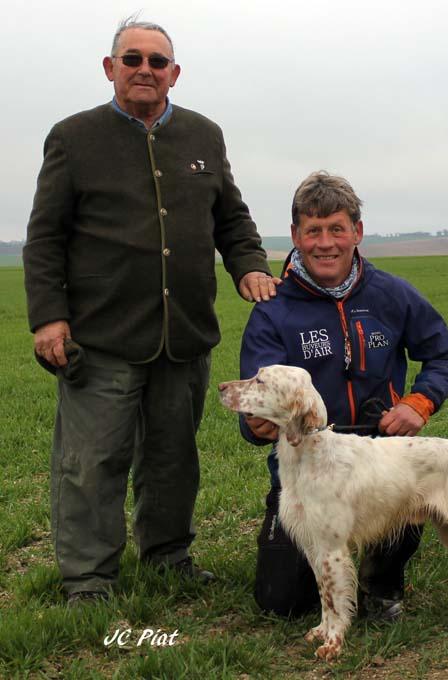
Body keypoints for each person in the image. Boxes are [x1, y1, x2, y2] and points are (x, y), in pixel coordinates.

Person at [23, 18, 278, 604]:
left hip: (183, 334)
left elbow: (232, 219)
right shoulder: (73, 137)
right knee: (92, 463)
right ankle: (88, 579)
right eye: (132, 58)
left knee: (172, 461)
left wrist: (250, 266)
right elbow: (45, 238)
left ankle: (167, 557)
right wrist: (49, 317)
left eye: (157, 61)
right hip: (103, 335)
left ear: (174, 73)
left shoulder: (204, 136)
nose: (145, 69)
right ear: (110, 67)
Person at [239, 171, 448, 619]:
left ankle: (381, 580)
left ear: (357, 232)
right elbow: (255, 398)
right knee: (282, 604)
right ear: (295, 236)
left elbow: (446, 353)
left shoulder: (392, 295)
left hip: (380, 466)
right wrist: (255, 424)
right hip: (307, 473)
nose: (326, 243)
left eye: (337, 229)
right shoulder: (274, 310)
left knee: (405, 495)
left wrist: (419, 403)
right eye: (314, 231)